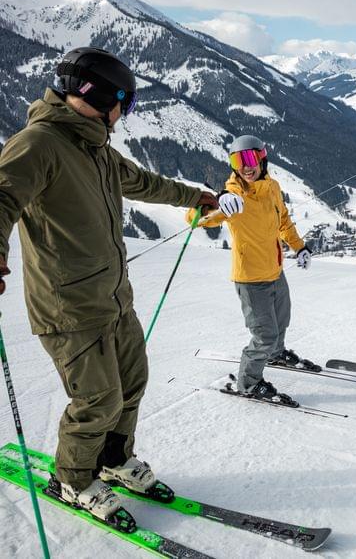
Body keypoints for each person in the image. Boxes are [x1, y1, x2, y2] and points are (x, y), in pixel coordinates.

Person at [0, 47, 218, 525]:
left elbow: (141, 182)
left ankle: (114, 461)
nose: (127, 114)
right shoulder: (39, 144)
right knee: (97, 400)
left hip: (114, 298)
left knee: (131, 385)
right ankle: (74, 480)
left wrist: (196, 196)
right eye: (129, 103)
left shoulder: (94, 147)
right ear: (105, 97)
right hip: (69, 307)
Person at [192, 135, 312, 405]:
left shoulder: (272, 187)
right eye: (238, 160)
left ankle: (276, 353)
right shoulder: (233, 198)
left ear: (262, 158)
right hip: (250, 279)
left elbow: (284, 222)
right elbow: (197, 220)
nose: (246, 166)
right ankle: (248, 382)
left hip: (276, 271)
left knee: (281, 322)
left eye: (250, 158)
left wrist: (300, 247)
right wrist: (216, 202)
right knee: (264, 334)